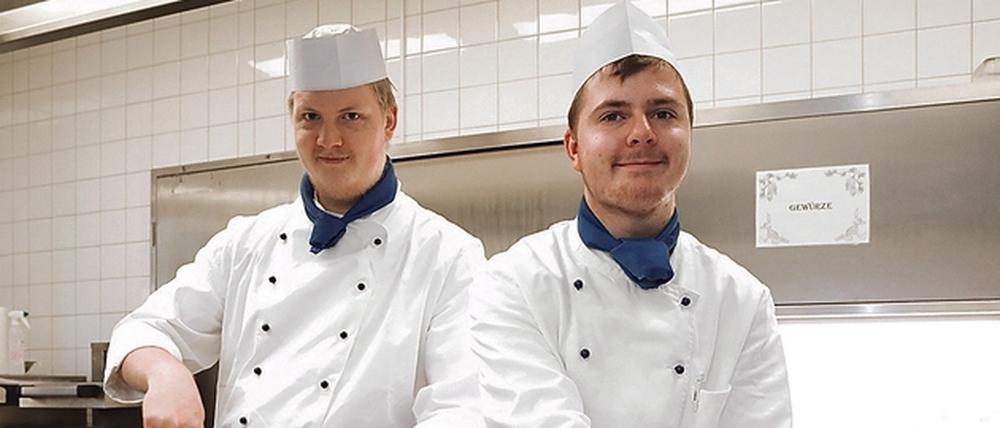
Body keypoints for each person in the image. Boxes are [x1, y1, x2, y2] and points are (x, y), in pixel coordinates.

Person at [105, 25, 485, 428]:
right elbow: (144, 329)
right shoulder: (244, 244)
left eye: (351, 117)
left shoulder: (448, 256)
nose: (328, 140)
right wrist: (165, 372)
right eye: (311, 117)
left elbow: (462, 408)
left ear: (389, 121)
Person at [471, 3, 792, 427]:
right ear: (573, 148)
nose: (642, 133)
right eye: (613, 115)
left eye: (663, 113)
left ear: (689, 135)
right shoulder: (515, 283)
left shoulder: (742, 300)